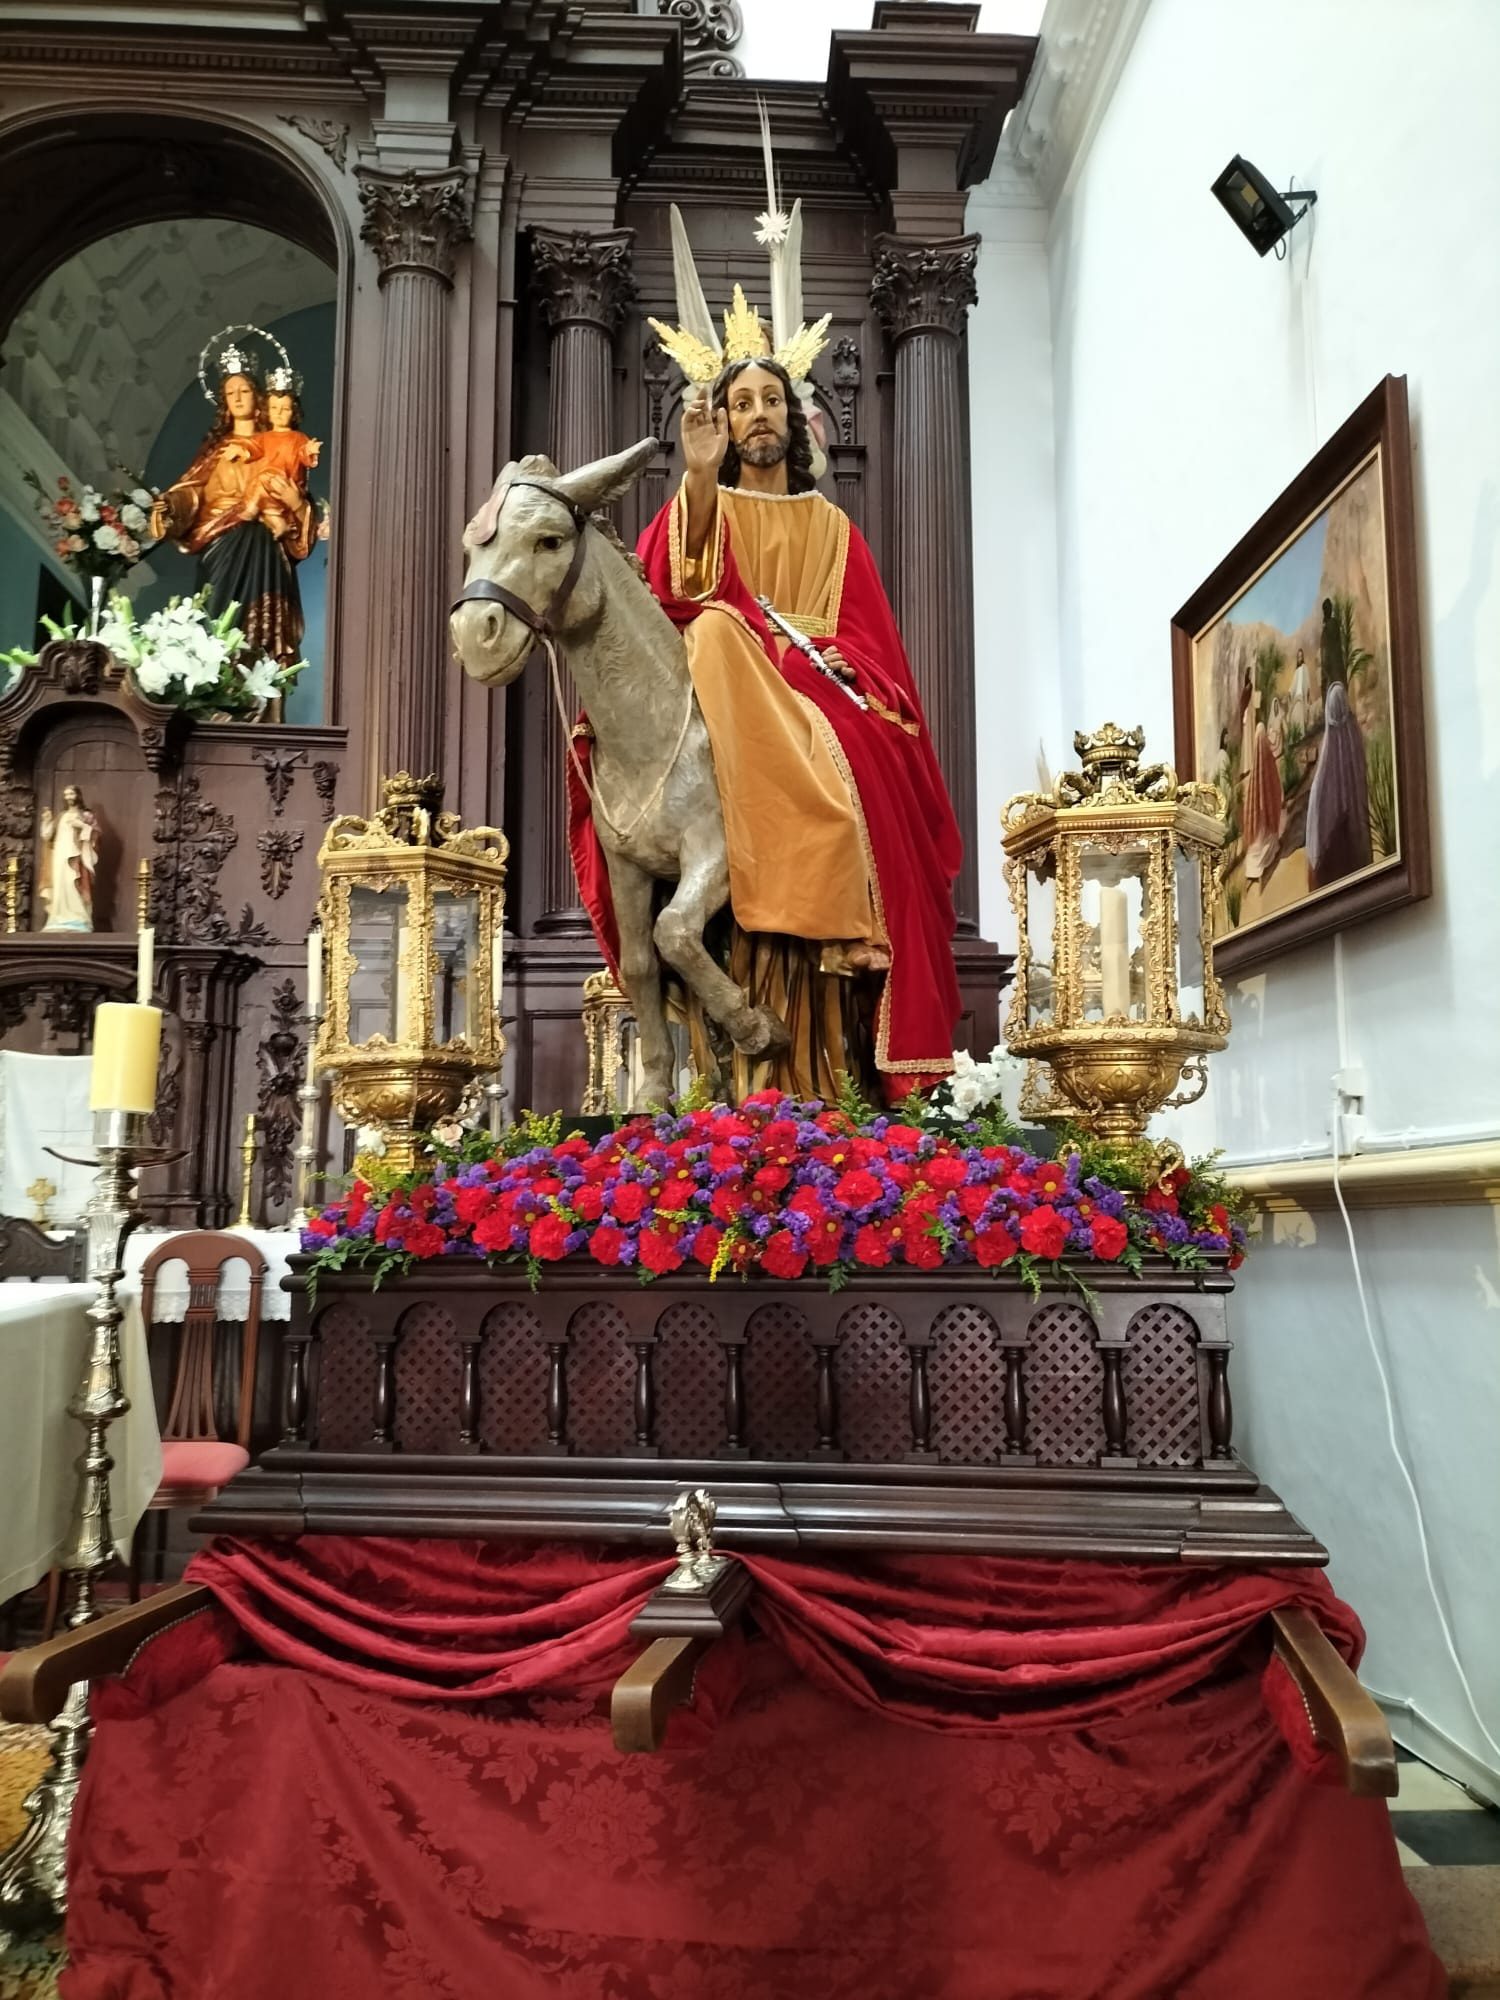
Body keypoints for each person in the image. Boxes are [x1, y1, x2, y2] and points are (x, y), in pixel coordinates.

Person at [571, 349, 962, 1097]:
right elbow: (677, 596)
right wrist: (696, 473)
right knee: (717, 632)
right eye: (740, 403)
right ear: (721, 424)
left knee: (872, 751)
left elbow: (869, 640)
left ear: (796, 417)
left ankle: (856, 930)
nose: (757, 415)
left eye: (770, 401)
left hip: (814, 681)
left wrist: (854, 667)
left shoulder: (834, 528)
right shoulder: (696, 507)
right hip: (728, 684)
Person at [150, 363, 315, 669]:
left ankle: (263, 690)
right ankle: (218, 686)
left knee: (264, 636)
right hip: (221, 544)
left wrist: (296, 504)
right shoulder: (217, 451)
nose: (237, 398)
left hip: (266, 550)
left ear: (259, 397)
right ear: (223, 401)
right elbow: (192, 492)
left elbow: (301, 502)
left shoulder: (280, 446)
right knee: (218, 622)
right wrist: (171, 505)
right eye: (230, 393)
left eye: (244, 391)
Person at [1306, 681, 1372, 890]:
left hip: (1335, 836)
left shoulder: (1332, 739)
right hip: (1353, 822)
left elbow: (1321, 791)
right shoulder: (1353, 733)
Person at [38, 782, 100, 932]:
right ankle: (58, 917)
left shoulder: (85, 815)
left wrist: (82, 826)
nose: (69, 797)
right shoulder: (61, 816)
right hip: (59, 854)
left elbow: (96, 834)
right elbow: (47, 836)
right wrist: (46, 821)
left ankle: (78, 917)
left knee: (74, 883)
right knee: (60, 884)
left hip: (76, 855)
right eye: (66, 795)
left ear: (78, 796)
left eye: (71, 794)